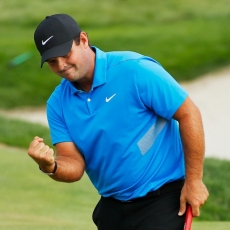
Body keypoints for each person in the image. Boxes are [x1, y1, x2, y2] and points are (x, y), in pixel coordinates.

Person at [28, 13, 209, 230]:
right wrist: (50, 166)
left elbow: (188, 113)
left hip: (162, 199)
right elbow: (73, 165)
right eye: (52, 62)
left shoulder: (135, 70)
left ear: (83, 40)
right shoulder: (57, 104)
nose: (61, 66)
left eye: (65, 54)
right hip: (113, 208)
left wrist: (194, 181)